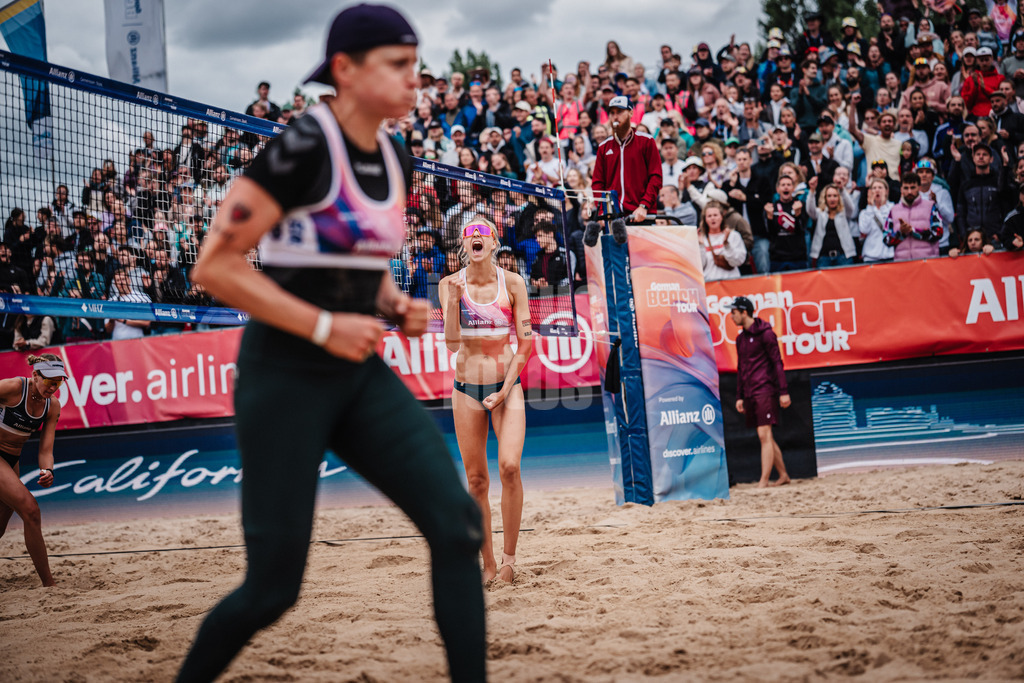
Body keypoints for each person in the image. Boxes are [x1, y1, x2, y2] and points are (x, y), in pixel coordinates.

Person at [175, 7, 486, 682]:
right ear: (344, 70)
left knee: (458, 526)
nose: (417, 80)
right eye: (399, 65)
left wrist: (390, 301)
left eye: (417, 64)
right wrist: (322, 325)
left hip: (355, 372)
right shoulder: (302, 147)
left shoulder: (398, 153)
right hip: (284, 373)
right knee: (273, 589)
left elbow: (356, 256)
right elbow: (214, 266)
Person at [439, 217, 532, 585]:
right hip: (466, 388)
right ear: (464, 245)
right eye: (469, 233)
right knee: (476, 481)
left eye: (483, 232)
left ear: (494, 243)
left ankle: (510, 560)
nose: (476, 236)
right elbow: (450, 343)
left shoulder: (512, 283)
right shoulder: (450, 285)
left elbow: (525, 345)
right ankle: (489, 564)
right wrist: (453, 304)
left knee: (509, 467)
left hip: (506, 387)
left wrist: (506, 389)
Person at [0, 353, 64, 587]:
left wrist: (48, 470)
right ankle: (49, 584)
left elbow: (46, 450)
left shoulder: (52, 406)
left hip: (10, 459)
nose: (53, 387)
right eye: (49, 380)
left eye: (58, 382)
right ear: (35, 375)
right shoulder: (13, 387)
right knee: (31, 510)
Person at [724, 296, 790, 488]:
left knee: (764, 434)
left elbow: (777, 363)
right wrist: (739, 396)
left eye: (734, 312)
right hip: (751, 392)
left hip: (766, 390)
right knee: (767, 436)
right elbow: (741, 368)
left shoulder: (766, 334)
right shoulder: (740, 339)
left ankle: (763, 482)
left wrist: (783, 391)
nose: (731, 316)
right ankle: (784, 474)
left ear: (745, 312)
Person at [584, 95, 663, 241]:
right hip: (613, 219)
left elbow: (656, 177)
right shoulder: (603, 147)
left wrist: (644, 205)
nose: (615, 116)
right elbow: (598, 183)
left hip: (641, 215)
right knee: (617, 262)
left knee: (642, 262)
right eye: (612, 113)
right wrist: (602, 211)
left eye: (620, 112)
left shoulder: (646, 141)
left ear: (631, 113)